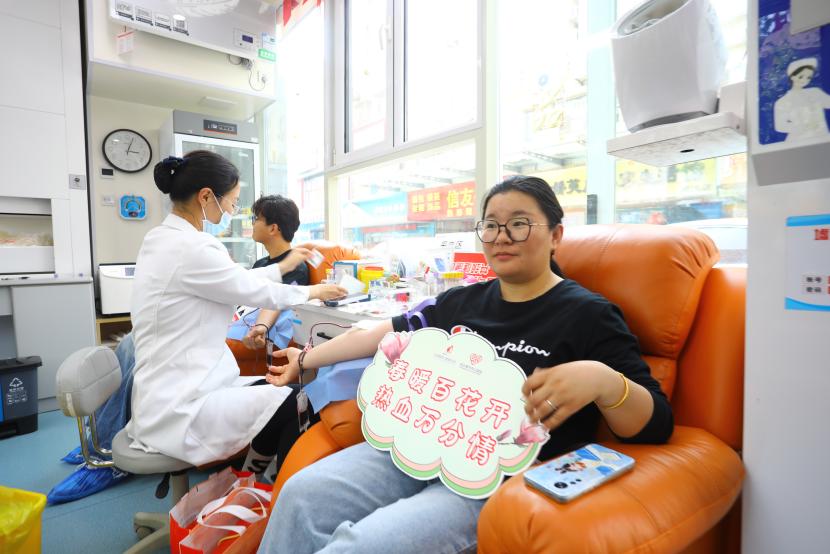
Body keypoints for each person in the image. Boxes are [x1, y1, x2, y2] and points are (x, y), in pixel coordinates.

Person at [257, 175, 674, 554]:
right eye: (491, 225)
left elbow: (656, 423)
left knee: (363, 545)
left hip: (493, 478)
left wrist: (604, 381)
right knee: (300, 495)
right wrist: (304, 359)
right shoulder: (461, 301)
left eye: (519, 224)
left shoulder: (589, 314)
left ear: (555, 235)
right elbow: (376, 333)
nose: (501, 237)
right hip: (418, 446)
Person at [124, 150, 346, 470]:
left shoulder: (162, 238)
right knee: (302, 400)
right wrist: (313, 291)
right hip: (182, 404)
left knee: (277, 391)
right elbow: (251, 289)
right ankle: (265, 484)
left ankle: (250, 477)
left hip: (167, 391)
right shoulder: (193, 246)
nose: (232, 210)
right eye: (232, 201)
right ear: (205, 196)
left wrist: (284, 268)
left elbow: (239, 281)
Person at [241, 195, 309, 351]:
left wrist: (260, 326)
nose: (252, 223)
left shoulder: (296, 267)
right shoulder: (260, 264)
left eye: (256, 219)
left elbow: (278, 299)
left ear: (273, 228)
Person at [774, 57, 830, 142]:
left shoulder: (815, 92)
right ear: (792, 77)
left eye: (808, 77)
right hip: (799, 141)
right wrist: (804, 126)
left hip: (822, 137)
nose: (804, 80)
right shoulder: (782, 102)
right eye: (801, 77)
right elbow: (780, 126)